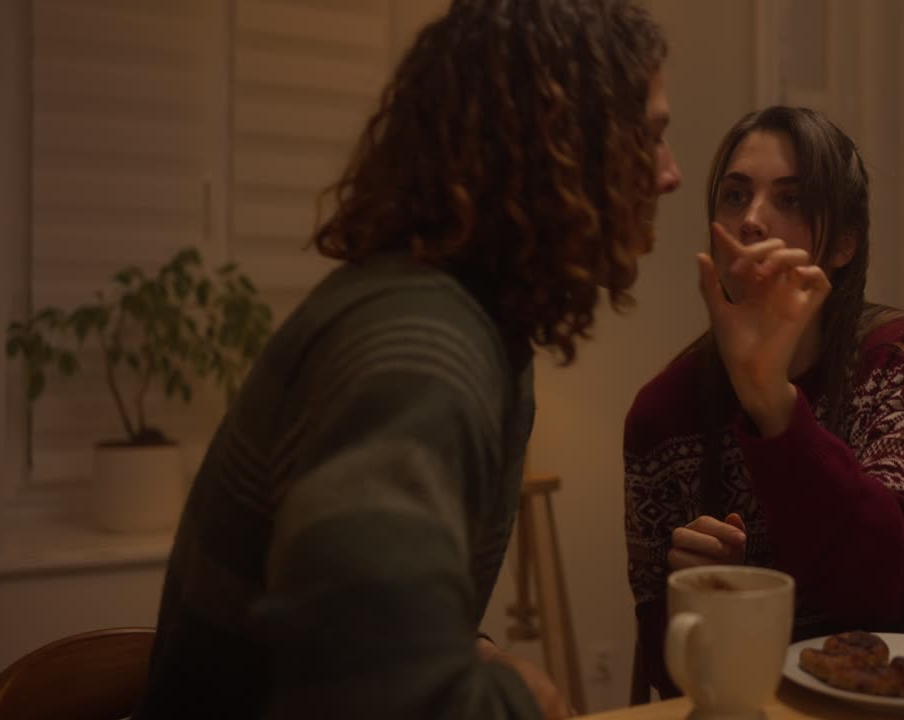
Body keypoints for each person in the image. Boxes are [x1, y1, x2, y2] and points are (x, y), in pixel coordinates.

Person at [134, 1, 681, 718]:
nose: (670, 173)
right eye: (651, 136)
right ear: (560, 150)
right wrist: (517, 698)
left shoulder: (454, 319)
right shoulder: (422, 354)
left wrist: (468, 652)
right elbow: (370, 695)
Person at [623, 106, 904, 698]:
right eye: (734, 196)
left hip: (884, 705)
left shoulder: (901, 360)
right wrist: (697, 598)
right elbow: (664, 666)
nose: (752, 220)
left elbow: (884, 591)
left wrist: (774, 406)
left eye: (791, 200)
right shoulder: (661, 414)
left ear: (845, 243)